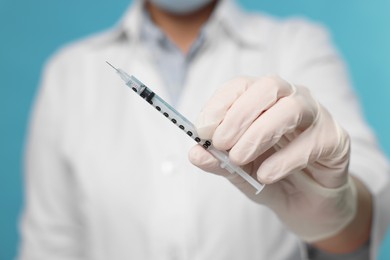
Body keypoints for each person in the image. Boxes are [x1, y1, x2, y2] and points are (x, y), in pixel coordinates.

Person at [19, 0, 390, 259]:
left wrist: (338, 209)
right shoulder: (68, 73)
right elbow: (50, 245)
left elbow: (367, 191)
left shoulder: (296, 43)